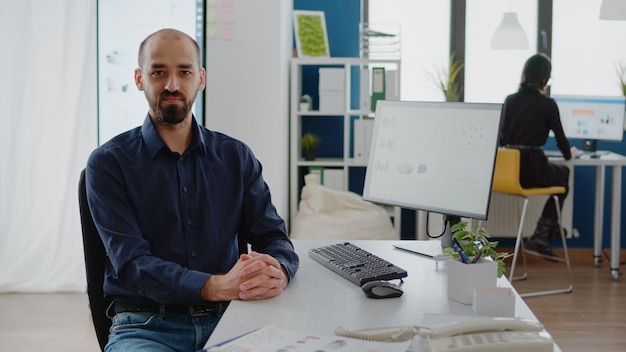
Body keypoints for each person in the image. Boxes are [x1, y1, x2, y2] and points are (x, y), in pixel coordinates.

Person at [85, 28, 299, 351]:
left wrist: (278, 271)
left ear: (200, 79)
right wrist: (214, 286)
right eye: (159, 72)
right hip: (145, 328)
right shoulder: (108, 164)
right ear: (140, 78)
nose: (172, 85)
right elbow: (133, 265)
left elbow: (274, 237)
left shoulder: (235, 157)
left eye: (184, 72)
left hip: (230, 320)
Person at [499, 53, 580, 257]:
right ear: (545, 78)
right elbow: (562, 142)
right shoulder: (547, 104)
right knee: (564, 175)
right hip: (532, 169)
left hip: (507, 172)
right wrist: (569, 154)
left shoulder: (509, 100)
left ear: (525, 75)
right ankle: (542, 235)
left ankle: (549, 229)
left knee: (559, 174)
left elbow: (500, 138)